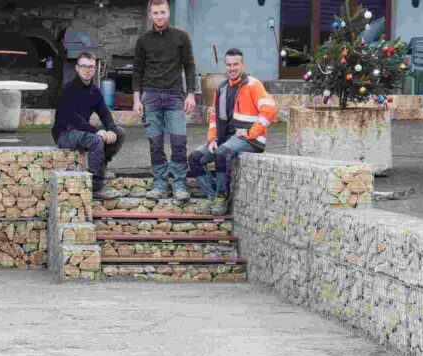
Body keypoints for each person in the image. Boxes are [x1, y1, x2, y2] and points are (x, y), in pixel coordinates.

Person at [188, 48, 277, 215]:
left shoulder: (253, 85)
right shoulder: (221, 88)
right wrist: (212, 139)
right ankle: (213, 197)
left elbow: (270, 110)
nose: (232, 68)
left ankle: (222, 196)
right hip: (224, 138)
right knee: (195, 158)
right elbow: (214, 118)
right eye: (228, 64)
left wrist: (251, 133)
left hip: (250, 140)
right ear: (225, 66)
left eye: (236, 64)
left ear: (242, 65)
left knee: (222, 153)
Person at [132, 0, 196, 201]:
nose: (159, 16)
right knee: (156, 143)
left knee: (179, 142)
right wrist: (136, 99)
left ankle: (179, 185)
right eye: (155, 13)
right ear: (150, 15)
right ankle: (160, 184)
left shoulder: (181, 37)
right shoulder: (143, 41)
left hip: (174, 96)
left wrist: (191, 94)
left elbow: (190, 66)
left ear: (168, 13)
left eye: (163, 12)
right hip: (150, 96)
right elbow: (137, 70)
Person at [52, 51, 125, 199]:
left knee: (120, 133)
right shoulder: (67, 89)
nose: (87, 70)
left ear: (95, 69)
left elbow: (105, 113)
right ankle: (98, 187)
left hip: (82, 131)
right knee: (95, 139)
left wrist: (111, 129)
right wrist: (95, 131)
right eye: (84, 66)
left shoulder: (95, 91)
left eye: (91, 67)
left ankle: (102, 167)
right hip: (65, 133)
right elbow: (72, 117)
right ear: (77, 68)